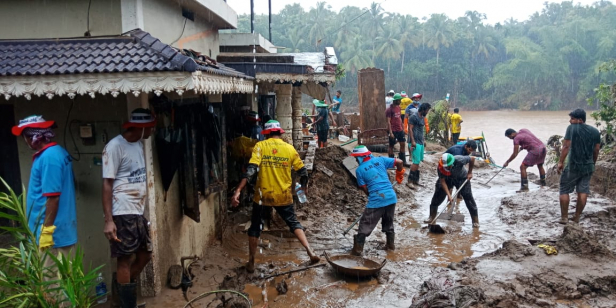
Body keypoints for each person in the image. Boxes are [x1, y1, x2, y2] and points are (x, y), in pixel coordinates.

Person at [231, 120, 320, 272]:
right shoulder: (289, 149)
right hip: (283, 195)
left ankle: (251, 262)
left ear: (266, 133)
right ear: (279, 132)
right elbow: (303, 172)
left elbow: (251, 171)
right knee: (293, 223)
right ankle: (310, 252)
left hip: (263, 194)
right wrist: (304, 187)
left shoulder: (260, 146)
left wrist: (238, 190)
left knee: (255, 227)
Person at [102, 108, 155, 307]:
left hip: (137, 212)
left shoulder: (139, 144)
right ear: (141, 128)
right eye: (150, 127)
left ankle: (121, 296)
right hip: (122, 212)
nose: (152, 131)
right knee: (124, 259)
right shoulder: (114, 147)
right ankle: (125, 302)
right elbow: (107, 184)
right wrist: (109, 220)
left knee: (145, 255)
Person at [11, 115, 77, 268]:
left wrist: (46, 232)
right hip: (57, 231)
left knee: (51, 285)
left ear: (35, 138)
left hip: (52, 236)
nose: (25, 141)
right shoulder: (57, 152)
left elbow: (53, 197)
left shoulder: (49, 158)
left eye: (25, 137)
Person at [349, 145, 405, 256]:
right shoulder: (381, 160)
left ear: (361, 157)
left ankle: (357, 251)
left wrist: (375, 197)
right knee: (388, 223)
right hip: (391, 197)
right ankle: (390, 247)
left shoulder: (359, 170)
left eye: (356, 158)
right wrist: (399, 174)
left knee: (364, 224)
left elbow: (365, 189)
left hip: (377, 198)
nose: (356, 160)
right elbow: (400, 162)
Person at [557, 108, 601, 224]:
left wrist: (561, 162)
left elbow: (566, 146)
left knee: (564, 190)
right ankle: (576, 217)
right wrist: (593, 163)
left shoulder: (572, 128)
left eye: (572, 119)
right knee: (583, 191)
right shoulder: (595, 131)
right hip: (588, 166)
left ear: (580, 120)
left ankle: (564, 217)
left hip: (573, 166)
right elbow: (596, 150)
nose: (570, 121)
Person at [426, 153, 479, 228]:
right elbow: (443, 182)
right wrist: (449, 195)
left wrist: (470, 172)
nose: (447, 167)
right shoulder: (440, 167)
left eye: (449, 165)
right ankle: (432, 218)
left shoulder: (459, 159)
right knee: (437, 197)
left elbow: (472, 158)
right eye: (446, 166)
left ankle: (475, 221)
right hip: (447, 179)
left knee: (468, 198)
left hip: (461, 178)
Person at [407, 103, 432, 187]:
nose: (427, 112)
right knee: (415, 161)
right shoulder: (414, 117)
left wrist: (423, 140)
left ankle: (415, 180)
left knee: (418, 162)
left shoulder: (422, 118)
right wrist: (413, 141)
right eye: (427, 110)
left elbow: (421, 130)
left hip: (420, 142)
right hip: (415, 142)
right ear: (423, 109)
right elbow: (410, 129)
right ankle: (409, 181)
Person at [386, 93, 406, 162]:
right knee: (391, 146)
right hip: (393, 130)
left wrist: (402, 128)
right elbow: (388, 121)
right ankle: (391, 161)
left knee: (403, 144)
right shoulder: (389, 110)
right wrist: (391, 133)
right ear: (396, 100)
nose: (400, 101)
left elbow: (400, 118)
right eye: (399, 100)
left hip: (399, 129)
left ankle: (402, 161)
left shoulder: (398, 108)